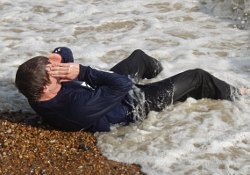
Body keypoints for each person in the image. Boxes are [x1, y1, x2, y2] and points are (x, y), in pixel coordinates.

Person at [15, 47, 241, 132]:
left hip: (103, 92)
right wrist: (83, 72)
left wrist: (59, 54)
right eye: (53, 72)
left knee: (139, 57)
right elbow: (123, 86)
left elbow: (65, 55)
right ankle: (238, 98)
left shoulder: (34, 90)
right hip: (132, 104)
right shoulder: (76, 108)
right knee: (198, 77)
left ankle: (162, 68)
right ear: (46, 87)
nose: (58, 72)